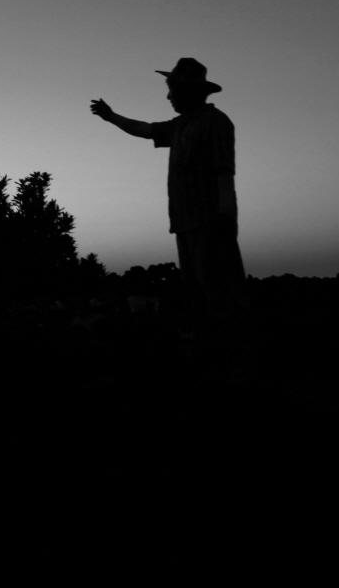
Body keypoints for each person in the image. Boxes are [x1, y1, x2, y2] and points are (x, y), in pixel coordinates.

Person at [90, 59, 250, 370]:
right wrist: (110, 117)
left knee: (222, 295)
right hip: (185, 224)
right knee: (198, 297)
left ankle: (238, 365)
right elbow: (145, 129)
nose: (168, 97)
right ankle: (211, 361)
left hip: (210, 222)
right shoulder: (179, 126)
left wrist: (225, 216)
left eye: (172, 90)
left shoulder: (215, 122)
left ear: (189, 91)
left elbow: (224, 173)